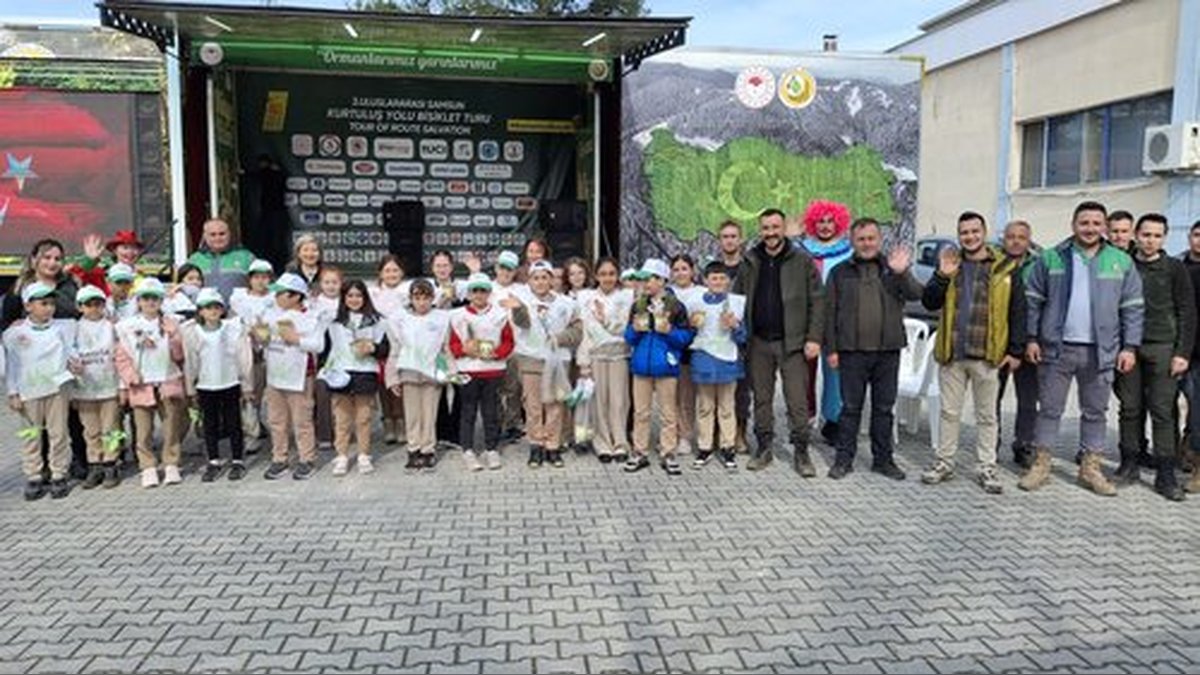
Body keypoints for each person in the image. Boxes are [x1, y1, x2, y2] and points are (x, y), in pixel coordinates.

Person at [1021, 201, 1144, 495]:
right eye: (1084, 222)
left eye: (1095, 223)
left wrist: (1129, 347)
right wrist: (1031, 338)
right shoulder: (1051, 258)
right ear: (1073, 225)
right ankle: (1041, 465)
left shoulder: (1120, 261)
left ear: (1104, 226)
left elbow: (1133, 309)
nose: (1090, 228)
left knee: (1095, 412)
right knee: (1049, 409)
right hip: (1056, 348)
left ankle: (1090, 468)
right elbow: (1033, 301)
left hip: (1101, 351)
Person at [918, 212, 1026, 494]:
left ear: (984, 232)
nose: (970, 237)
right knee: (949, 413)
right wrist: (942, 275)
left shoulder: (1005, 266)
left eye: (975, 231)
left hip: (988, 355)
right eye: (964, 232)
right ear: (959, 235)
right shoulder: (951, 264)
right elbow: (929, 302)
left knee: (987, 415)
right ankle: (944, 462)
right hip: (953, 354)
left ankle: (986, 467)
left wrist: (1015, 350)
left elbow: (1018, 311)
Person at [825, 218, 923, 481]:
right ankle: (844, 460)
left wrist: (902, 272)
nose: (866, 243)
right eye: (861, 239)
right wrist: (832, 349)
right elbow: (829, 313)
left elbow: (917, 294)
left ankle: (883, 460)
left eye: (871, 238)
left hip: (887, 351)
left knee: (883, 409)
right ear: (853, 242)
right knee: (850, 409)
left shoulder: (892, 269)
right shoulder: (839, 272)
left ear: (879, 240)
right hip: (852, 352)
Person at [733, 208, 824, 476]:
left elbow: (818, 302)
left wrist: (814, 337)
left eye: (775, 227)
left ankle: (802, 452)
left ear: (783, 229)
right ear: (760, 231)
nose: (770, 233)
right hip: (759, 343)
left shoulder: (802, 260)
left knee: (797, 400)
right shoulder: (750, 260)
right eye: (765, 228)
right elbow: (737, 299)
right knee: (762, 399)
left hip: (793, 343)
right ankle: (764, 448)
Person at [1113, 214, 1194, 501]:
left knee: (1163, 410)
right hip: (1129, 347)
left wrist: (1182, 353)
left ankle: (1166, 473)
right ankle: (1129, 462)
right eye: (1146, 234)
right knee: (1130, 407)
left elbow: (1187, 311)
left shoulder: (1174, 268)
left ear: (1165, 237)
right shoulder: (1124, 264)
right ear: (1136, 234)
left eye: (1157, 236)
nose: (1151, 240)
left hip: (1163, 347)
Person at [1, 239, 85, 480]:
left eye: (57, 258)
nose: (52, 262)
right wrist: (11, 326)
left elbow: (81, 313)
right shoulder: (20, 290)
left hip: (65, 363)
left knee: (70, 419)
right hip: (33, 372)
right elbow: (6, 327)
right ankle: (41, 469)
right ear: (35, 259)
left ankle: (76, 461)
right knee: (38, 424)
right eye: (47, 257)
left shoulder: (70, 285)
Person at [4, 281, 74, 500]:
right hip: (29, 391)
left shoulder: (60, 330)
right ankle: (34, 475)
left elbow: (71, 353)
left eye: (52, 303)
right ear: (28, 306)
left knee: (58, 433)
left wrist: (76, 363)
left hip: (57, 389)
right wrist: (13, 393)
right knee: (31, 435)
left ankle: (58, 474)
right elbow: (11, 366)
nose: (49, 308)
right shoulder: (15, 334)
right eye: (43, 303)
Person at [624, 258, 695, 474]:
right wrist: (635, 330)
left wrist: (670, 333)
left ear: (662, 280)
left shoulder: (676, 306)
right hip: (641, 367)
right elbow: (628, 337)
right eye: (643, 279)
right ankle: (640, 452)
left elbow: (687, 336)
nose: (645, 283)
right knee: (641, 413)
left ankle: (668, 452)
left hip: (666, 366)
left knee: (668, 413)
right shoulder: (638, 305)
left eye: (650, 279)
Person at [114, 277, 186, 489]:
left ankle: (171, 463)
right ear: (138, 301)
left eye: (155, 298)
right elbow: (121, 357)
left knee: (171, 426)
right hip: (141, 385)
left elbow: (180, 356)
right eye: (145, 298)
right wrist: (128, 381)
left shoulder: (172, 323)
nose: (150, 302)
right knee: (143, 430)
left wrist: (173, 336)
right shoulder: (126, 327)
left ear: (161, 300)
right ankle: (147, 466)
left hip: (167, 381)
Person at [509, 260, 581, 468]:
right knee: (533, 406)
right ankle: (535, 445)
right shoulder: (522, 300)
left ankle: (552, 446)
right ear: (530, 281)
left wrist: (560, 338)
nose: (540, 282)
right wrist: (518, 310)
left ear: (552, 279)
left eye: (544, 277)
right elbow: (522, 323)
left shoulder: (566, 303)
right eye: (536, 278)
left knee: (555, 404)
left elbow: (578, 331)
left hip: (558, 360)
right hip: (531, 359)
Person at [182, 288, 254, 482]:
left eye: (216, 307)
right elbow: (191, 361)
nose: (212, 311)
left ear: (222, 310)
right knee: (210, 424)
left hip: (230, 382)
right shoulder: (192, 332)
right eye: (207, 308)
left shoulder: (232, 329)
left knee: (233, 423)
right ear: (200, 311)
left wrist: (247, 384)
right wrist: (191, 388)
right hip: (206, 385)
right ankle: (213, 460)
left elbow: (242, 357)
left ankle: (238, 459)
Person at [320, 279, 389, 477]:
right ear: (344, 298)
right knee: (341, 418)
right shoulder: (333, 321)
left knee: (364, 417)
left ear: (365, 297)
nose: (354, 299)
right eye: (350, 295)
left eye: (358, 295)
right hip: (340, 373)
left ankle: (363, 455)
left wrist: (373, 348)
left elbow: (385, 349)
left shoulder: (377, 321)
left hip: (365, 372)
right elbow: (325, 349)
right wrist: (325, 370)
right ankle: (341, 455)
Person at [799, 201, 854, 444]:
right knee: (804, 374)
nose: (825, 226)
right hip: (807, 321)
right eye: (820, 221)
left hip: (837, 322)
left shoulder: (849, 252)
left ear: (838, 223)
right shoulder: (801, 250)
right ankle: (804, 420)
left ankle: (833, 421)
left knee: (835, 372)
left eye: (830, 221)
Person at [260, 272, 323, 481]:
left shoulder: (311, 316)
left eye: (281, 293)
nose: (276, 297)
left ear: (296, 296)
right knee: (276, 420)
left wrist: (296, 340)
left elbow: (318, 345)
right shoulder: (271, 314)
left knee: (302, 420)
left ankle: (307, 459)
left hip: (300, 375)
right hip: (275, 374)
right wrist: (258, 335)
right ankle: (280, 458)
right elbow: (263, 342)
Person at [449, 273, 515, 471]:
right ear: (469, 293)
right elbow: (452, 344)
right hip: (467, 370)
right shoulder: (458, 315)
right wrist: (463, 350)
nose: (479, 294)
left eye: (483, 290)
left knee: (490, 411)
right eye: (475, 290)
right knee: (467, 411)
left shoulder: (500, 315)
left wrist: (496, 354)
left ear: (489, 293)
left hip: (492, 371)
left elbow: (508, 342)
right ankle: (467, 450)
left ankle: (491, 448)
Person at [686, 260, 747, 471]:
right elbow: (689, 334)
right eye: (714, 278)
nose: (718, 282)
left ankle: (727, 446)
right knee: (705, 406)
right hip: (704, 360)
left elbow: (744, 337)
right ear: (705, 280)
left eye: (722, 278)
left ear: (729, 281)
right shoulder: (695, 303)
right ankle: (705, 446)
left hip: (728, 361)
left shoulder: (736, 303)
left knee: (727, 407)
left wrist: (736, 326)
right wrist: (692, 326)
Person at [385, 279, 451, 472]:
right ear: (411, 299)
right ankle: (413, 450)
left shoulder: (441, 318)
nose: (422, 302)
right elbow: (395, 350)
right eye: (417, 298)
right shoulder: (400, 319)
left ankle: (428, 450)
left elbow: (445, 349)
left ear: (432, 299)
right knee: (412, 414)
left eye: (426, 298)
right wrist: (393, 377)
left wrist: (448, 373)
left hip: (431, 373)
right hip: (409, 372)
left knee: (429, 414)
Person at [577, 257, 633, 464]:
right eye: (602, 274)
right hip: (596, 356)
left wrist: (605, 319)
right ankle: (602, 443)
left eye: (611, 273)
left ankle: (620, 442)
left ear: (617, 275)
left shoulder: (627, 297)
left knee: (619, 401)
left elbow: (624, 326)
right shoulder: (586, 297)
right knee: (598, 402)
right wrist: (583, 362)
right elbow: (585, 332)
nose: (607, 278)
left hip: (619, 354)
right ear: (595, 276)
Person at [995, 220, 1039, 468]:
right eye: (1010, 236)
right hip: (999, 342)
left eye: (1021, 237)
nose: (1015, 241)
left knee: (1028, 399)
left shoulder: (1039, 265)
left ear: (1028, 239)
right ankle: (992, 443)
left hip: (1030, 341)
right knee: (993, 398)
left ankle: (1024, 445)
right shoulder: (994, 264)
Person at [71, 285, 122, 489]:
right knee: (90, 430)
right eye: (88, 304)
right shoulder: (73, 328)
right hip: (84, 387)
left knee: (110, 428)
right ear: (80, 306)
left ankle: (111, 463)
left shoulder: (112, 326)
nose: (93, 308)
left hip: (109, 385)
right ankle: (95, 464)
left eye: (98, 304)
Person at [230, 258, 275, 451]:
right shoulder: (238, 299)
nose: (260, 281)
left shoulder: (274, 298)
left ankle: (264, 427)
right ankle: (251, 434)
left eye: (265, 277)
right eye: (256, 277)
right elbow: (233, 324)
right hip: (246, 351)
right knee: (249, 394)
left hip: (270, 350)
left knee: (265, 394)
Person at [715, 220, 751, 453]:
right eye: (725, 236)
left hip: (743, 336)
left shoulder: (750, 268)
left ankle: (739, 433)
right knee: (718, 386)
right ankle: (718, 432)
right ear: (720, 241)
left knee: (742, 390)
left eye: (733, 236)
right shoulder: (712, 269)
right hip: (717, 337)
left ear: (740, 239)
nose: (729, 240)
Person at [368, 255, 409, 445]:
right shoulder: (372, 293)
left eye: (395, 270)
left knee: (399, 383)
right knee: (383, 383)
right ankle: (388, 421)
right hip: (381, 344)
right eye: (387, 271)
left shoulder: (409, 291)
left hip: (403, 345)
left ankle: (401, 421)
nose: (391, 274)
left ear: (401, 272)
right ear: (380, 274)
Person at [491, 250, 526, 445]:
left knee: (513, 388)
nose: (505, 272)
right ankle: (495, 423)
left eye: (509, 269)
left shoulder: (522, 289)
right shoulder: (486, 288)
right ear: (496, 268)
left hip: (516, 346)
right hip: (493, 347)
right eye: (502, 267)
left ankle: (513, 424)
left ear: (515, 272)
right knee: (494, 389)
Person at [669, 254, 701, 456]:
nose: (681, 273)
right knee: (669, 398)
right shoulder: (666, 293)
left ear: (692, 271)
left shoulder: (701, 293)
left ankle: (685, 436)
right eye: (677, 269)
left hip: (691, 351)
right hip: (669, 351)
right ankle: (669, 435)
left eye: (684, 269)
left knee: (687, 398)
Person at [310, 266, 344, 452]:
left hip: (342, 352)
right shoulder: (315, 303)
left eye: (334, 282)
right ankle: (324, 434)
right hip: (322, 352)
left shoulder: (346, 301)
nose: (331, 286)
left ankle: (343, 432)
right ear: (321, 284)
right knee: (321, 393)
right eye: (327, 282)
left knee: (342, 395)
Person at [186, 219, 256, 301]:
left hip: (240, 311)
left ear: (229, 234)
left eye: (222, 234)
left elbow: (266, 283)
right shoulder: (195, 259)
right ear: (205, 236)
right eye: (213, 234)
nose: (218, 238)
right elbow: (184, 287)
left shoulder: (246, 257)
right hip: (205, 311)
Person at [67, 229, 145, 294]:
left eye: (134, 248)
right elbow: (75, 276)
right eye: (125, 248)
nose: (130, 252)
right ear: (114, 250)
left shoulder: (144, 278)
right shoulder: (102, 275)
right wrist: (90, 261)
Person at [1183, 220, 1200, 494]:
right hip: (1181, 351)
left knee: (1198, 410)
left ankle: (1197, 466)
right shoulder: (1178, 267)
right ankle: (1184, 450)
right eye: (1197, 235)